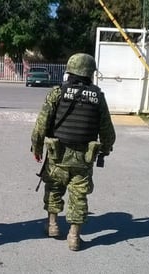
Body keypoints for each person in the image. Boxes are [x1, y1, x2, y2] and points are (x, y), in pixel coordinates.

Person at [31, 53, 116, 251]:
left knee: (54, 187)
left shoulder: (57, 93)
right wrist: (105, 148)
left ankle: (52, 224)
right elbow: (107, 131)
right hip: (83, 158)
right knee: (79, 195)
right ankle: (74, 236)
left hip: (57, 154)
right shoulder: (98, 97)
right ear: (89, 73)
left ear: (70, 71)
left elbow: (41, 125)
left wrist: (36, 148)